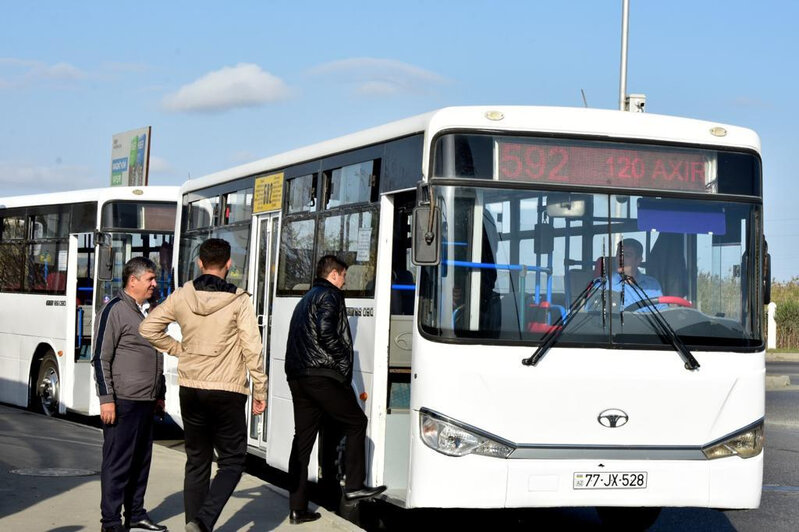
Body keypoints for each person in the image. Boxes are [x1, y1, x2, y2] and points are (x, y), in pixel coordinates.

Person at [139, 239, 267, 532]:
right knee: (232, 462)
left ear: (199, 263)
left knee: (196, 462)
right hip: (227, 390)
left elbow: (147, 327)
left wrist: (178, 349)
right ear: (229, 264)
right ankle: (203, 521)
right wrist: (260, 390)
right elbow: (252, 349)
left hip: (191, 387)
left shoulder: (183, 295)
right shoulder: (239, 300)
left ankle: (194, 524)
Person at [284, 255, 386, 525]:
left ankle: (297, 508)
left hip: (298, 376)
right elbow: (326, 331)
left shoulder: (306, 298)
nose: (344, 281)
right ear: (333, 275)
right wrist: (342, 360)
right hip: (321, 375)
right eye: (343, 276)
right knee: (356, 422)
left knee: (302, 442)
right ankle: (353, 486)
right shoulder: (330, 296)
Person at [92, 256, 167, 532]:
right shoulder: (114, 310)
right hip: (123, 401)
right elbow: (100, 358)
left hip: (147, 401)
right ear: (132, 280)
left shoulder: (150, 309)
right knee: (117, 464)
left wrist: (160, 395)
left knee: (140, 463)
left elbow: (157, 356)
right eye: (150, 279)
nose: (154, 284)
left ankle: (135, 514)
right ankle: (111, 522)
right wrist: (106, 399)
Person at [611, 238, 663, 308]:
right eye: (618, 254)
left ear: (638, 260)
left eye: (627, 255)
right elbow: (593, 316)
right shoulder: (602, 284)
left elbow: (662, 314)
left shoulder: (652, 285)